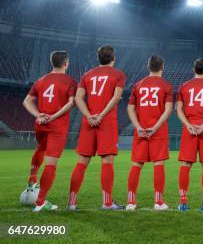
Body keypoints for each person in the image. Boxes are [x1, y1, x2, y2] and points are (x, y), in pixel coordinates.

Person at [68, 45, 125, 210]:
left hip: (88, 121)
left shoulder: (87, 75)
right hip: (106, 121)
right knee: (107, 161)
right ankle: (107, 203)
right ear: (113, 58)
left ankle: (71, 203)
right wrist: (100, 115)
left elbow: (78, 98)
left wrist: (88, 115)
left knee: (82, 161)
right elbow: (116, 97)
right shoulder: (118, 74)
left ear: (98, 58)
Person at [22, 51, 77, 211]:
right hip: (56, 126)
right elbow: (71, 103)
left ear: (52, 63)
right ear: (66, 63)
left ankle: (32, 180)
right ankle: (40, 203)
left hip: (40, 123)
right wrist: (53, 117)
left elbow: (27, 101)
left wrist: (38, 114)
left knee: (41, 148)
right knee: (51, 163)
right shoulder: (70, 81)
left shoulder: (41, 80)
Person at [125, 55, 174, 211]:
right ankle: (158, 202)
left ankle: (131, 202)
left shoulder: (138, 85)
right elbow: (168, 109)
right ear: (162, 68)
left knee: (137, 164)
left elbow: (130, 108)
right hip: (157, 130)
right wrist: (156, 127)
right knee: (158, 164)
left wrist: (138, 126)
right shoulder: (166, 85)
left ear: (148, 67)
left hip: (141, 129)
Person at [175, 59, 203, 211]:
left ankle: (183, 203)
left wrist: (188, 125)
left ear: (194, 70)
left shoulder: (184, 86)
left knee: (185, 165)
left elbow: (179, 109)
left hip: (189, 128)